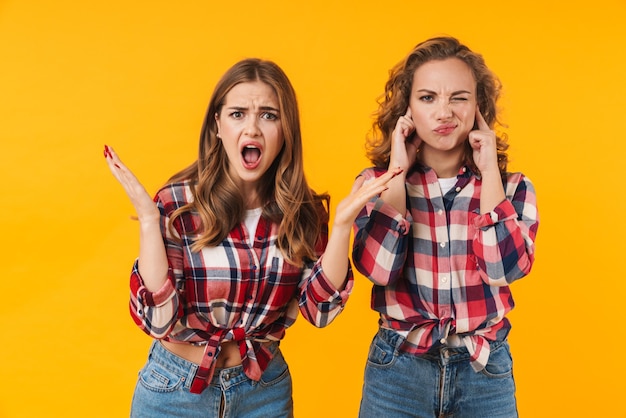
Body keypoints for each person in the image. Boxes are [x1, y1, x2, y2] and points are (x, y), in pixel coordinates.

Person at [104, 58, 400, 418]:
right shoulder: (177, 203)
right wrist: (150, 222)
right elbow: (157, 321)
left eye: (269, 115)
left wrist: (339, 228)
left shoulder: (302, 212)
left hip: (263, 391)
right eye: (238, 114)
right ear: (217, 125)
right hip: (174, 391)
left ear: (286, 129)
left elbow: (320, 312)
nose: (253, 129)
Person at [352, 37, 539, 417]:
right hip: (398, 369)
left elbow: (503, 271)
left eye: (459, 97)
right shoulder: (375, 183)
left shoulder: (513, 188)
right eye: (427, 98)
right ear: (406, 108)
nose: (444, 112)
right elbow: (379, 270)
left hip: (483, 370)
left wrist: (489, 173)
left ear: (478, 108)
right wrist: (397, 175)